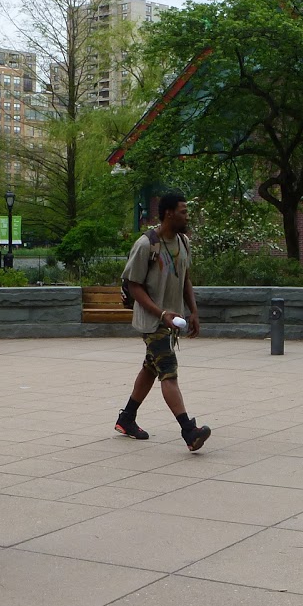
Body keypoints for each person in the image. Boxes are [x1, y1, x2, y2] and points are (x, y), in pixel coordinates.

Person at [115, 192, 211, 452]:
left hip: (171, 320)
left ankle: (126, 419)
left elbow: (186, 278)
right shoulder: (146, 245)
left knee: (151, 366)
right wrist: (160, 314)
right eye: (183, 211)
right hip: (152, 320)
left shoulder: (183, 242)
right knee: (168, 369)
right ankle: (189, 431)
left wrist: (193, 311)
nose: (186, 215)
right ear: (168, 213)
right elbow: (134, 285)